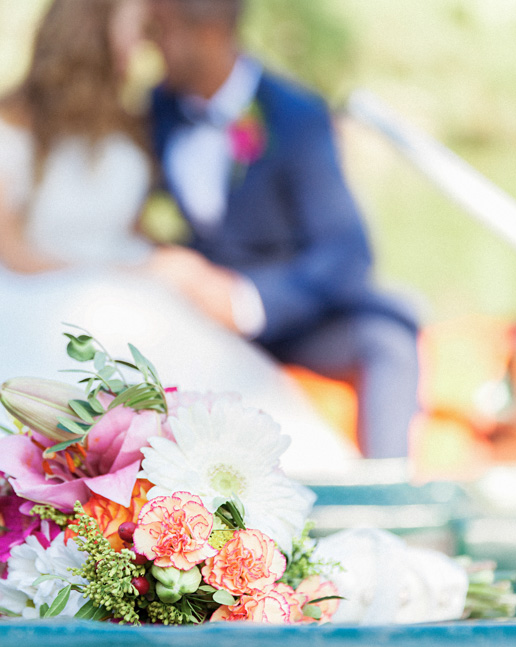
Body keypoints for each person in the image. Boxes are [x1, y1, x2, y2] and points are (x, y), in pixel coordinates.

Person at [0, 0, 356, 490]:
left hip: (135, 286)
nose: (144, 44)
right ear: (95, 30)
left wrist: (170, 265)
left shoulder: (133, 121)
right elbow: (11, 252)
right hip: (34, 286)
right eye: (135, 28)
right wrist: (126, 271)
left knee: (201, 381)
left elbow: (138, 225)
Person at [145, 0, 420, 459]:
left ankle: (388, 499)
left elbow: (348, 253)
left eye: (162, 30)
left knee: (388, 340)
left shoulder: (298, 118)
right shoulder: (158, 110)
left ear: (210, 33)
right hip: (195, 322)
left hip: (286, 318)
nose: (151, 45)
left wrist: (246, 302)